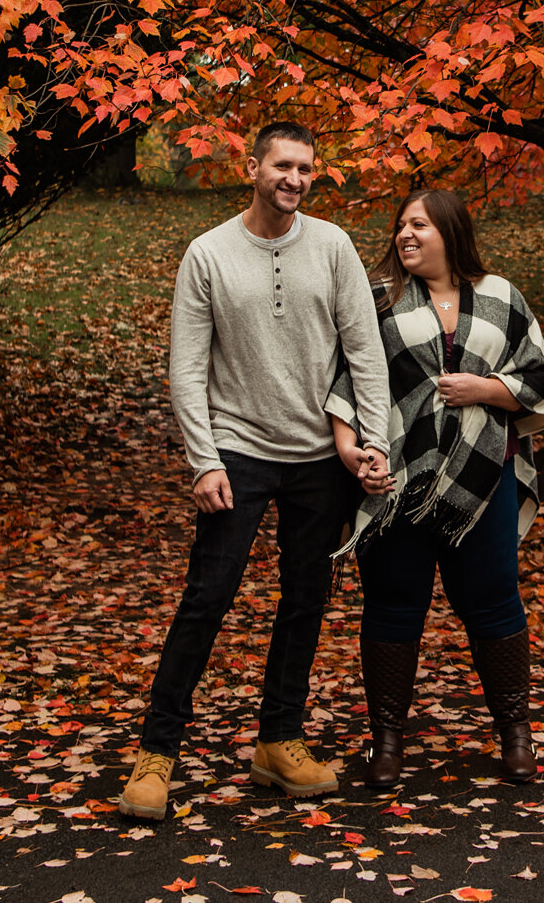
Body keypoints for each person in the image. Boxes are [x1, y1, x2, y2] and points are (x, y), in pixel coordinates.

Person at [118, 122, 394, 821]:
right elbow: (186, 367)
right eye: (282, 165)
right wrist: (203, 458)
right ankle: (157, 754)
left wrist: (376, 442)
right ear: (253, 167)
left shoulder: (333, 246)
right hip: (236, 451)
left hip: (315, 459)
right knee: (207, 596)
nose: (294, 179)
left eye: (305, 168)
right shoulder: (208, 253)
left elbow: (365, 353)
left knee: (305, 599)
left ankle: (279, 740)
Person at [327, 188, 544, 788]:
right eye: (402, 226)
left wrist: (484, 390)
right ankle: (386, 743)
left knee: (493, 601)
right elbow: (343, 378)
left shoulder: (501, 296)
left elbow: (541, 375)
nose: (406, 235)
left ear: (450, 232)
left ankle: (515, 735)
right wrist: (351, 449)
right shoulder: (378, 298)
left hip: (485, 478)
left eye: (420, 226)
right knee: (392, 604)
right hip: (397, 480)